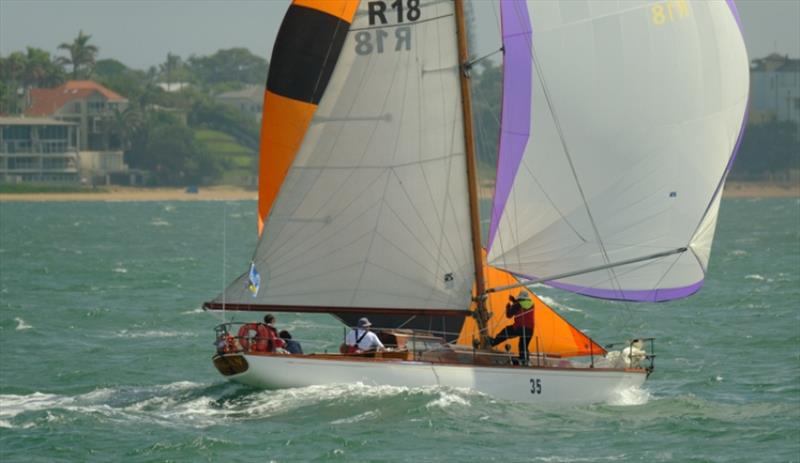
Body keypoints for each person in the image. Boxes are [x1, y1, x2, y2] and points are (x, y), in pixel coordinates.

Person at [490, 290, 535, 364]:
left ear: (520, 298)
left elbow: (509, 315)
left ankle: (493, 342)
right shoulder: (532, 304)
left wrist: (508, 307)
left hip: (520, 327)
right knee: (523, 345)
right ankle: (524, 359)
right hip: (530, 329)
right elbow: (522, 305)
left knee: (506, 331)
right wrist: (514, 301)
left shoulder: (517, 305)